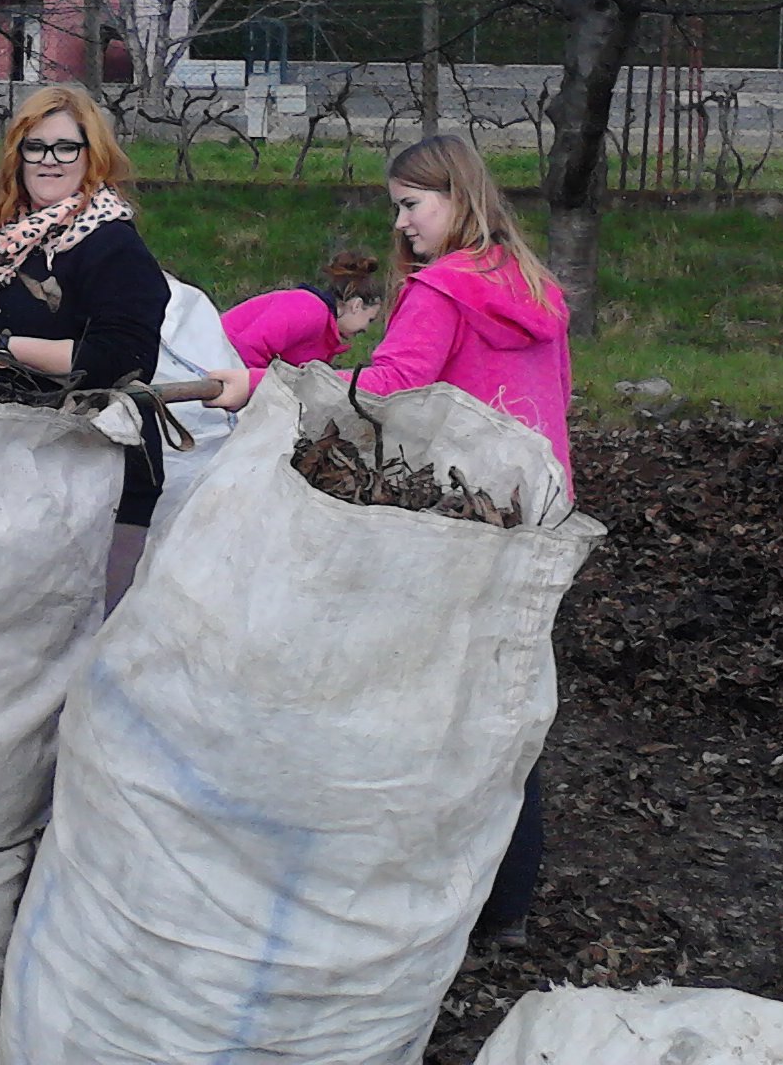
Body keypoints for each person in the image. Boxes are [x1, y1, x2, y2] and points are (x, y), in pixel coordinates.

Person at [205, 134, 573, 951]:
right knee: (504, 705)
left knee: (423, 706)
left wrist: (264, 388)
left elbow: (386, 394)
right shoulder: (532, 287)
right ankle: (507, 903)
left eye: (412, 205)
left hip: (451, 527)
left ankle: (415, 890)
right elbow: (554, 402)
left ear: (458, 198)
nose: (401, 224)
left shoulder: (442, 289)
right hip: (531, 516)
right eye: (397, 207)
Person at [0, 84, 169, 613]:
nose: (50, 160)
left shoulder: (111, 243)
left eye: (66, 147)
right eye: (36, 146)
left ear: (92, 156)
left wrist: (2, 347)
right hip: (17, 462)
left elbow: (120, 358)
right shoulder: (8, 243)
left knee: (83, 630)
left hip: (98, 472)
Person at [220, 248, 383, 369]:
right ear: (356, 306)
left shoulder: (324, 331)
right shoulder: (310, 310)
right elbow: (248, 346)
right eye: (369, 319)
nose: (366, 328)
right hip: (215, 361)